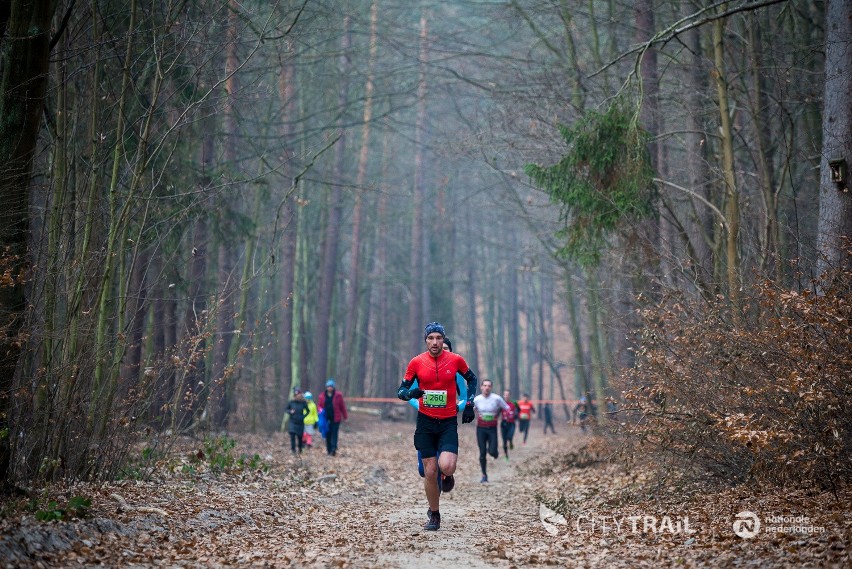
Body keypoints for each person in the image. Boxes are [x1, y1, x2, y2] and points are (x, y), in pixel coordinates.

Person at [397, 322, 478, 531]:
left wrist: (469, 403)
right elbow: (401, 390)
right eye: (431, 338)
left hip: (448, 421)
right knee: (429, 471)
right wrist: (410, 394)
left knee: (447, 465)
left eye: (439, 338)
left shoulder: (455, 360)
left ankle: (448, 475)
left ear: (444, 340)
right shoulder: (416, 363)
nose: (435, 342)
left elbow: (472, 379)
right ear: (426, 340)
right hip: (425, 421)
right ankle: (434, 514)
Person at [473, 379, 510, 482]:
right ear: (481, 387)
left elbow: (506, 408)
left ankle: (494, 453)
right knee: (482, 452)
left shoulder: (497, 398)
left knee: (492, 451)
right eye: (484, 385)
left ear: (491, 388)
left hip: (492, 429)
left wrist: (505, 418)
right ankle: (484, 475)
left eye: (489, 386)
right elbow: (472, 409)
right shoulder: (477, 399)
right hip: (481, 429)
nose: (487, 388)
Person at [318, 378, 348, 455]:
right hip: (326, 418)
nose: (330, 388)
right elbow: (319, 406)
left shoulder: (338, 395)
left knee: (334, 433)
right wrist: (320, 410)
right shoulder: (322, 396)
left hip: (336, 418)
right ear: (326, 387)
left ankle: (334, 448)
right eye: (328, 386)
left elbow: (342, 406)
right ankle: (329, 449)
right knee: (328, 434)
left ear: (333, 387)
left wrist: (345, 416)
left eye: (331, 386)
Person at [286, 388, 309, 454]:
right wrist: (290, 411)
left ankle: (300, 448)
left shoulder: (303, 403)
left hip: (300, 422)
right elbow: (286, 409)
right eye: (296, 395)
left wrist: (303, 416)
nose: (297, 396)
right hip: (292, 422)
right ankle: (293, 450)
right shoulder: (291, 402)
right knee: (292, 435)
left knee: (300, 437)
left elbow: (308, 411)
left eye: (298, 394)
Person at [500, 389, 519, 460]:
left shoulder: (514, 403)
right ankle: (506, 455)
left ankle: (510, 441)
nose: (506, 396)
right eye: (505, 395)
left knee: (509, 436)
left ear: (510, 396)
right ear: (503, 395)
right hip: (503, 424)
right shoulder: (501, 403)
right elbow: (497, 412)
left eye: (508, 395)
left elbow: (518, 410)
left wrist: (516, 415)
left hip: (511, 423)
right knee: (504, 441)